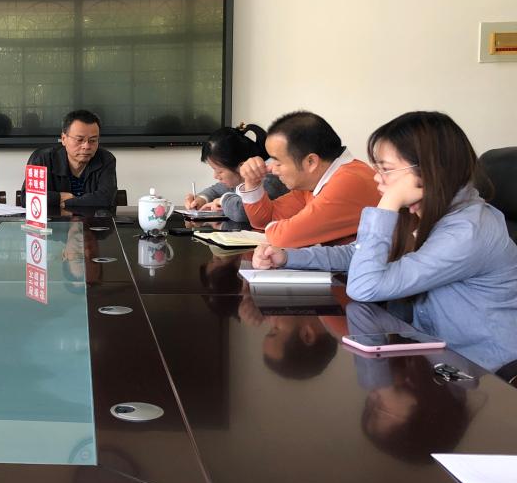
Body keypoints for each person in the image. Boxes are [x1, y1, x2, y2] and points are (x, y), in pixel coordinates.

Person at [252, 111, 517, 367]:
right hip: (430, 355)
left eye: (386, 169)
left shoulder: (466, 232)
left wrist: (388, 203)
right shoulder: (424, 212)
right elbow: (357, 253)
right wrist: (287, 257)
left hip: (483, 372)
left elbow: (365, 287)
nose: (377, 178)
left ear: (427, 171)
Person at [236, 111, 380, 246]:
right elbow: (265, 220)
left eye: (278, 162)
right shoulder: (314, 181)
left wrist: (283, 228)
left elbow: (284, 238)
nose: (271, 169)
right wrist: (252, 183)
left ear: (311, 162)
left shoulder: (348, 182)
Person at [185, 123, 288, 223]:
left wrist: (222, 201)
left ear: (241, 166)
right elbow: (216, 190)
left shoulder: (269, 180)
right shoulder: (238, 179)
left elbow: (243, 212)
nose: (215, 176)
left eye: (219, 171)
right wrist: (201, 199)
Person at [21, 110, 117, 208]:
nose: (86, 146)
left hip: (90, 218)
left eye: (93, 140)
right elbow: (27, 198)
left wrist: (68, 202)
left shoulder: (106, 159)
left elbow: (106, 199)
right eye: (79, 140)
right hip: (53, 218)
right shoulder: (42, 159)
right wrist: (59, 197)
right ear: (63, 139)